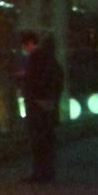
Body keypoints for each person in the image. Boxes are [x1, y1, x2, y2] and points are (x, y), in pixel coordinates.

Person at [20, 31, 64, 183]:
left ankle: (39, 173)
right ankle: (47, 172)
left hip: (37, 106)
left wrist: (35, 97)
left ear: (29, 43)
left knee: (38, 141)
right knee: (47, 140)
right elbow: (57, 79)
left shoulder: (36, 58)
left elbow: (32, 82)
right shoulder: (50, 59)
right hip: (47, 105)